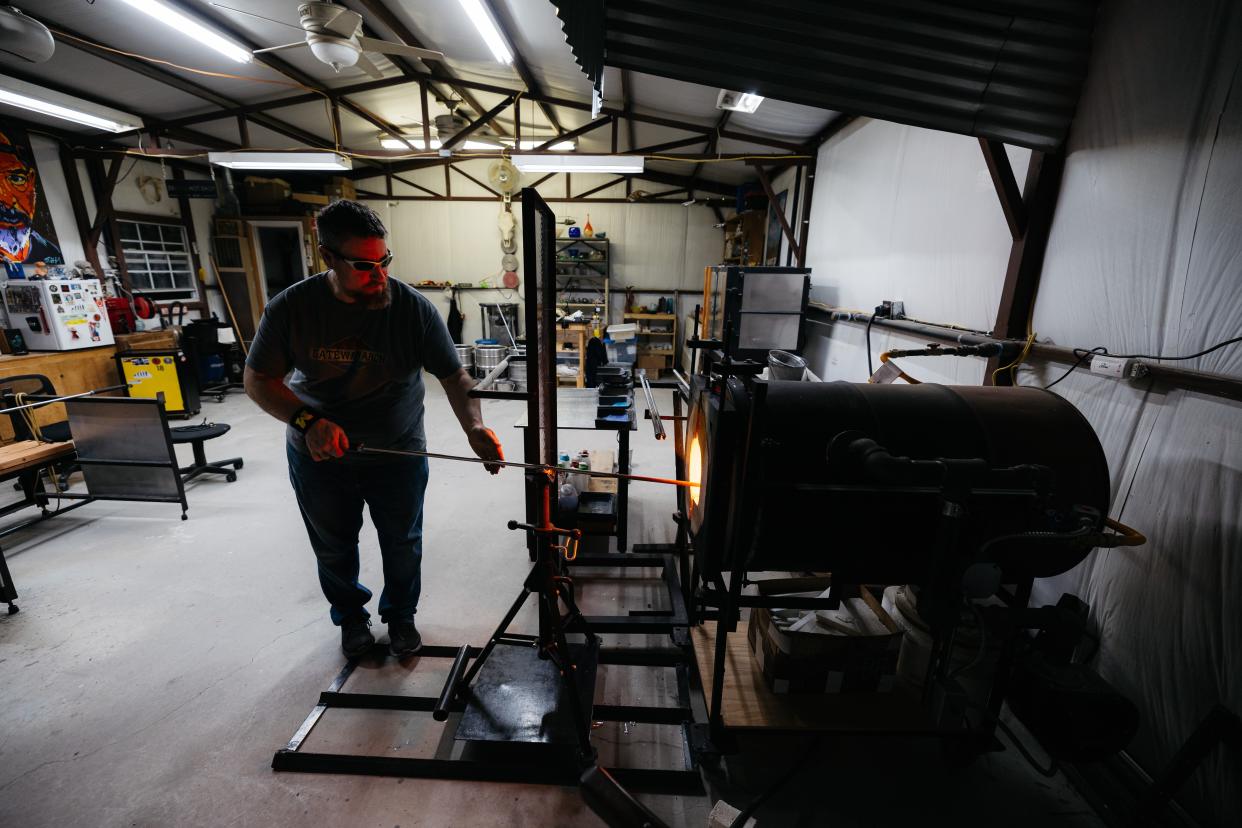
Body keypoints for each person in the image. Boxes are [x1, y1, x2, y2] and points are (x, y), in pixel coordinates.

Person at [244, 200, 504, 658]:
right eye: (364, 266)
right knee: (333, 545)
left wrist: (475, 428)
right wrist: (307, 423)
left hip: (397, 451)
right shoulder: (292, 309)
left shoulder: (413, 310)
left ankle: (401, 615)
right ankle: (351, 618)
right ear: (328, 257)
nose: (379, 274)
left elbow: (454, 375)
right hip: (321, 455)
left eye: (384, 261)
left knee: (403, 542)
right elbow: (257, 379)